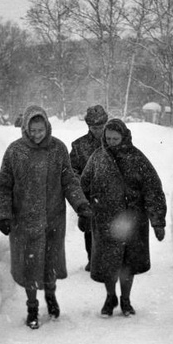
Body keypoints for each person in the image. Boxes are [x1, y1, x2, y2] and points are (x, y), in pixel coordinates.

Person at [0, 105, 92, 329]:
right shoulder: (15, 151)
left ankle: (51, 297)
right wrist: (4, 215)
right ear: (26, 129)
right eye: (33, 130)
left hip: (53, 219)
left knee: (50, 264)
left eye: (41, 130)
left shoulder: (57, 149)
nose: (37, 134)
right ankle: (32, 307)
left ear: (47, 126)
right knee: (30, 266)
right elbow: (3, 186)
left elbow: (69, 182)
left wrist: (82, 206)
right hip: (25, 221)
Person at [80, 118, 166, 317]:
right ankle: (110, 298)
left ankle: (126, 300)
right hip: (105, 220)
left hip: (132, 220)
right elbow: (83, 185)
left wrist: (157, 221)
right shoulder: (97, 158)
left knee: (128, 264)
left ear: (124, 137)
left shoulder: (137, 159)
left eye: (115, 138)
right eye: (108, 138)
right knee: (108, 264)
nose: (111, 142)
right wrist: (84, 211)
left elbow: (153, 189)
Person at [69, 105, 108, 271]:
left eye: (101, 127)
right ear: (88, 126)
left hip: (112, 193)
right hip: (89, 195)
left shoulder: (116, 141)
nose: (98, 131)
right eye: (94, 127)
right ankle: (93, 260)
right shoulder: (79, 146)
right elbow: (72, 171)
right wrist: (82, 183)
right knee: (90, 229)